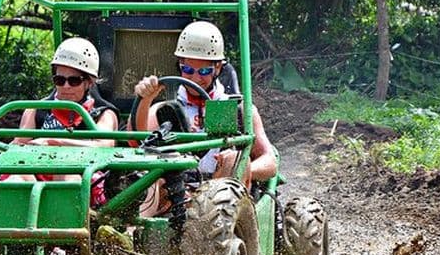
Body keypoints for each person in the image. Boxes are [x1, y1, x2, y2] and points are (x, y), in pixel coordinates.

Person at [132, 20, 277, 190]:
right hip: (175, 191)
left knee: (233, 160)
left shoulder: (234, 109)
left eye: (204, 71)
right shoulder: (169, 109)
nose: (195, 78)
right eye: (188, 70)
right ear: (179, 66)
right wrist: (145, 99)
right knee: (149, 181)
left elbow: (270, 162)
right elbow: (137, 141)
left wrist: (244, 169)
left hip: (222, 197)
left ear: (217, 68)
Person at [14, 37, 118, 150]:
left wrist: (53, 142)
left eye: (74, 81)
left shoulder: (103, 113)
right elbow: (18, 146)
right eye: (59, 80)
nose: (66, 86)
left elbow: (104, 145)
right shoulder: (35, 110)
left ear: (89, 83)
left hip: (86, 167)